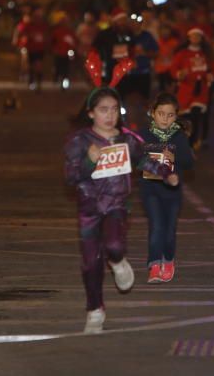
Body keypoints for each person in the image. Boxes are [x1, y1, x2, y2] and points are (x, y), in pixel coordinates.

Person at [64, 87, 174, 333]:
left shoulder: (127, 138)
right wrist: (89, 161)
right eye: (103, 110)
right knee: (90, 262)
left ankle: (118, 261)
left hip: (116, 204)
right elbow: (70, 177)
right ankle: (95, 310)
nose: (109, 115)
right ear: (91, 113)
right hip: (89, 207)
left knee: (114, 245)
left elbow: (144, 160)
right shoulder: (80, 141)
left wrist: (167, 174)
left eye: (114, 109)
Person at [139, 93, 194, 284]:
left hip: (172, 191)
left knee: (169, 231)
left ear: (176, 116)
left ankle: (168, 260)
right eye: (161, 113)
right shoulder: (144, 135)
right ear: (153, 113)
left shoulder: (178, 137)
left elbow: (189, 162)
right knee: (156, 226)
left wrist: (175, 157)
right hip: (150, 189)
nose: (165, 118)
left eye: (170, 115)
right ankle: (154, 265)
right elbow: (137, 158)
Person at [170, 27, 214, 150]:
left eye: (198, 36)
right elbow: (173, 69)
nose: (195, 38)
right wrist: (179, 74)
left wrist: (211, 76)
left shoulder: (207, 54)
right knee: (185, 118)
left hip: (202, 90)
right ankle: (185, 141)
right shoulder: (182, 54)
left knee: (196, 115)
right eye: (193, 36)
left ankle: (193, 142)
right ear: (189, 38)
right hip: (186, 90)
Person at [50, 12, 77, 89]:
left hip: (67, 53)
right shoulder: (56, 31)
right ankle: (56, 76)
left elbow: (74, 42)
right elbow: (52, 41)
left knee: (66, 68)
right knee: (58, 66)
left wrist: (72, 51)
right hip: (58, 53)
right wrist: (53, 49)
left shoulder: (70, 32)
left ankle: (64, 82)